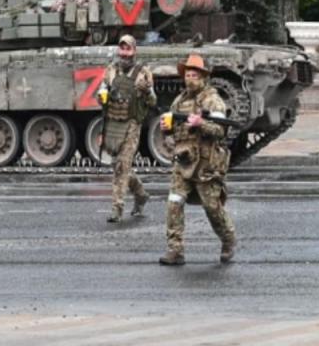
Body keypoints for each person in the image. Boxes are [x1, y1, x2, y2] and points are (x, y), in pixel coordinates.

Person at [158, 54, 235, 265]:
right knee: (174, 203)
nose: (189, 79)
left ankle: (228, 239)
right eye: (187, 74)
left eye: (194, 75)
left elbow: (221, 131)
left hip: (206, 163)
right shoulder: (179, 101)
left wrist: (201, 123)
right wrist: (167, 129)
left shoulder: (213, 101)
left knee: (212, 208)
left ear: (203, 77)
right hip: (183, 161)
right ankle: (175, 249)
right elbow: (171, 130)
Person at [96, 35, 153, 223]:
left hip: (131, 125)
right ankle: (141, 194)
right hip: (113, 124)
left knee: (121, 166)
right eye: (122, 48)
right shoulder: (111, 70)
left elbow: (153, 101)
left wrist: (146, 91)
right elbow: (102, 92)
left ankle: (117, 208)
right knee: (120, 166)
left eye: (128, 49)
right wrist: (102, 95)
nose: (124, 53)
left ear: (134, 50)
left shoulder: (143, 72)